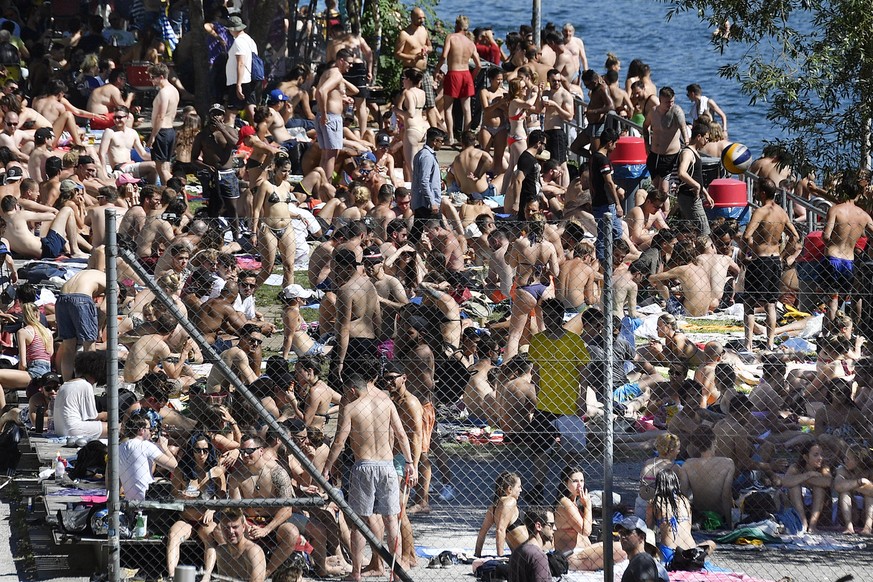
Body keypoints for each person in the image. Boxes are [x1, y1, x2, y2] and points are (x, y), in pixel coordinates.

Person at [322, 371, 417, 581]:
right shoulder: (387, 403)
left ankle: (356, 573)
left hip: (364, 465)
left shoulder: (351, 407)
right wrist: (410, 462)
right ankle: (396, 572)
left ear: (352, 390)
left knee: (359, 523)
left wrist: (327, 467)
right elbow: (402, 434)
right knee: (392, 520)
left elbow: (339, 442)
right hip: (387, 465)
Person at [525, 299, 590, 504]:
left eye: (554, 316)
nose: (550, 319)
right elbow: (535, 370)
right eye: (547, 315)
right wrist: (535, 393)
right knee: (540, 450)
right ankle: (538, 489)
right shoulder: (538, 341)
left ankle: (567, 491)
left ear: (561, 317)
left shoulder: (574, 341)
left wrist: (582, 397)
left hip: (568, 404)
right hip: (545, 404)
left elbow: (584, 371)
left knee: (571, 451)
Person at [226, 434, 301, 578]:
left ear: (261, 450)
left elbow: (287, 509)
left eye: (249, 451)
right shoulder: (236, 477)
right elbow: (237, 509)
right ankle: (241, 572)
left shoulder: (277, 473)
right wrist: (245, 525)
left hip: (273, 522)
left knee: (291, 532)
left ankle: (266, 574)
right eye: (242, 452)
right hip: (248, 521)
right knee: (232, 530)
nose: (245, 455)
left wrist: (266, 529)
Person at [741, 177, 799, 350]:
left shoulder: (761, 211)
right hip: (774, 261)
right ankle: (770, 343)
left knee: (750, 302)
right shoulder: (781, 212)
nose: (756, 193)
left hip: (759, 261)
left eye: (757, 190)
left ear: (763, 192)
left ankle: (748, 343)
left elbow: (746, 235)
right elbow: (795, 237)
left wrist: (746, 254)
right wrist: (783, 255)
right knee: (771, 304)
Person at [554, 466, 626, 570]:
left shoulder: (574, 502)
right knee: (621, 548)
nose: (580, 485)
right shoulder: (565, 502)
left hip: (582, 551)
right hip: (571, 556)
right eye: (574, 481)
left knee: (621, 545)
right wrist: (588, 506)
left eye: (582, 481)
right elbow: (586, 531)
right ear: (565, 483)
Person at [822, 175, 873, 318]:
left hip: (833, 257)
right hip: (849, 261)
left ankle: (829, 334)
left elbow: (826, 235)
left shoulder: (836, 210)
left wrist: (830, 244)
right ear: (858, 193)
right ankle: (852, 329)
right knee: (850, 297)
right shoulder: (863, 215)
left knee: (832, 298)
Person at [648, 470, 715, 568]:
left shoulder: (654, 502)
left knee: (647, 540)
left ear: (658, 484)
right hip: (691, 551)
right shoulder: (685, 501)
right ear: (676, 483)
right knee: (711, 543)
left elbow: (649, 528)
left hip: (670, 552)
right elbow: (689, 526)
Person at [436, 15, 481, 144]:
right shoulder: (470, 43)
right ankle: (465, 139)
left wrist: (436, 70)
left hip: (453, 73)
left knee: (448, 108)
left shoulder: (451, 37)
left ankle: (450, 137)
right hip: (466, 74)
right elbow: (478, 65)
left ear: (456, 25)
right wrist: (471, 78)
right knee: (466, 109)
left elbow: (443, 56)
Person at [316, 47, 357, 182]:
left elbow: (322, 92)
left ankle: (320, 185)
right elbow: (322, 91)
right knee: (332, 155)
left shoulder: (328, 73)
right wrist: (324, 114)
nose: (351, 66)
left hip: (325, 116)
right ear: (341, 60)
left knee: (325, 155)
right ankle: (326, 185)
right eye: (349, 63)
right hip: (330, 118)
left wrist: (341, 98)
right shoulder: (336, 74)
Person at [394, 7, 439, 129]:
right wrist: (413, 57)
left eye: (423, 17)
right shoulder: (404, 34)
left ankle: (433, 131)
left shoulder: (423, 30)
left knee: (430, 103)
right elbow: (397, 53)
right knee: (406, 102)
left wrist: (426, 50)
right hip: (410, 71)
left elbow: (430, 47)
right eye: (419, 18)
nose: (422, 20)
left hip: (424, 72)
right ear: (412, 18)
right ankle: (403, 127)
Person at [118, 411, 178, 500]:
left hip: (130, 500)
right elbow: (174, 466)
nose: (151, 432)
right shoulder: (145, 445)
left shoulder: (120, 447)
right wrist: (164, 447)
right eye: (149, 429)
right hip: (148, 499)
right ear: (141, 430)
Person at [780, 440, 833, 533]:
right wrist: (808, 475)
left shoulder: (824, 468)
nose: (820, 458)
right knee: (794, 487)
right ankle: (803, 523)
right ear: (805, 457)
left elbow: (829, 482)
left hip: (819, 510)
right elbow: (785, 482)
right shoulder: (796, 467)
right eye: (815, 455)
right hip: (798, 506)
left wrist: (804, 479)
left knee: (819, 487)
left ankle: (812, 525)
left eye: (821, 455)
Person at [643, 87, 688, 197]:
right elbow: (645, 126)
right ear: (660, 100)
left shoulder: (676, 111)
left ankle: (665, 212)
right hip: (654, 154)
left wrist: (686, 142)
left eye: (672, 101)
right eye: (667, 102)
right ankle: (659, 211)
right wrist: (646, 144)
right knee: (655, 186)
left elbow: (683, 128)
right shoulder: (653, 112)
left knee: (663, 190)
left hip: (670, 156)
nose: (670, 104)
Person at [590, 127, 625, 260]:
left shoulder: (594, 157)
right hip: (605, 203)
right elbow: (608, 182)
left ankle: (606, 261)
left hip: (598, 202)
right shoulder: (603, 160)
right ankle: (605, 262)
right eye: (615, 143)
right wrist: (618, 204)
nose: (615, 147)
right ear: (609, 143)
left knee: (606, 233)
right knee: (613, 233)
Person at [205, 508, 267, 582]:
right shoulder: (221, 552)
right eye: (226, 528)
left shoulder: (253, 551)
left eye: (235, 527)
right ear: (221, 528)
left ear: (243, 527)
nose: (231, 531)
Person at [474, 471, 527, 557]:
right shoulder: (510, 502)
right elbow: (500, 530)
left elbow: (482, 532)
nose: (521, 490)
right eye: (519, 487)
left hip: (521, 553)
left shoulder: (494, 507)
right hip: (528, 553)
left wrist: (477, 554)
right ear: (510, 489)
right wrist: (500, 556)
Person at [675, 121, 714, 236]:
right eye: (706, 138)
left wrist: (706, 194)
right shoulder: (688, 153)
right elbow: (681, 173)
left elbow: (696, 176)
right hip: (689, 197)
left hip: (694, 196)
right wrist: (696, 186)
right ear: (698, 136)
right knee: (704, 231)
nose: (707, 142)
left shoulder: (695, 152)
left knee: (692, 231)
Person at [147, 62, 179, 184]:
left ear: (161, 77)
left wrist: (153, 136)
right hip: (170, 130)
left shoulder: (164, 92)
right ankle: (172, 191)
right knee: (166, 166)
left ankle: (172, 193)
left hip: (162, 131)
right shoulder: (174, 90)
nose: (151, 80)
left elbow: (160, 115)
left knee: (161, 168)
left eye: (152, 77)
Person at [635, 433, 682, 519]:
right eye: (678, 449)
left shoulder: (648, 462)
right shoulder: (675, 467)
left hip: (641, 505)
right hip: (662, 509)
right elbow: (683, 490)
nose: (679, 452)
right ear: (671, 451)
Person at [410, 127, 445, 239]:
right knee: (441, 233)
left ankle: (407, 250)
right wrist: (432, 202)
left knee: (416, 232)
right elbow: (424, 181)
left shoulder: (423, 154)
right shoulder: (427, 156)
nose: (442, 144)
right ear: (434, 141)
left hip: (423, 202)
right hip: (426, 204)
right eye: (441, 141)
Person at [225, 15, 260, 121]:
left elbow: (240, 62)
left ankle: (229, 133)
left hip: (240, 80)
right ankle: (258, 132)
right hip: (249, 79)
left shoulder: (239, 41)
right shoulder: (249, 40)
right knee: (251, 107)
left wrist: (238, 85)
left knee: (231, 111)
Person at [507, 508, 554, 582]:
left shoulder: (517, 551)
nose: (555, 528)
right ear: (538, 526)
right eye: (551, 524)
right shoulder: (539, 556)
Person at [617, 516, 667, 582]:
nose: (623, 537)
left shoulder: (643, 561)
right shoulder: (637, 561)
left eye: (627, 532)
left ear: (641, 537)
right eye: (621, 533)